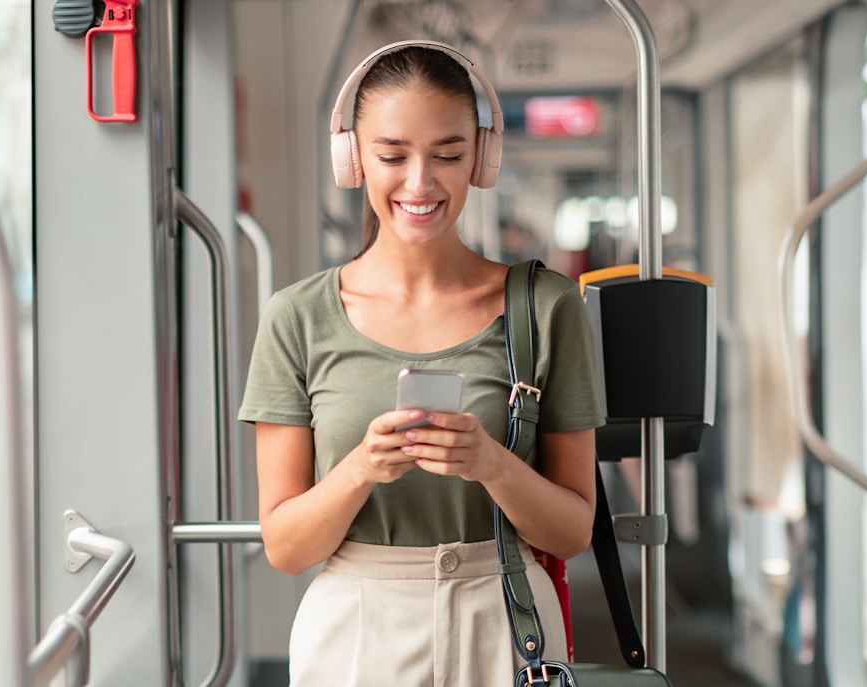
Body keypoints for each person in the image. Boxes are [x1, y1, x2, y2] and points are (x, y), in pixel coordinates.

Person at [238, 40, 605, 686]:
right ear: (352, 157)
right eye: (392, 155)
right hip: (355, 629)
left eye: (448, 155)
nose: (420, 182)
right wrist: (361, 468)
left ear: (481, 159)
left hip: (506, 618)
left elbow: (574, 529)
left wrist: (491, 463)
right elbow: (286, 547)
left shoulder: (546, 307)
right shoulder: (296, 317)